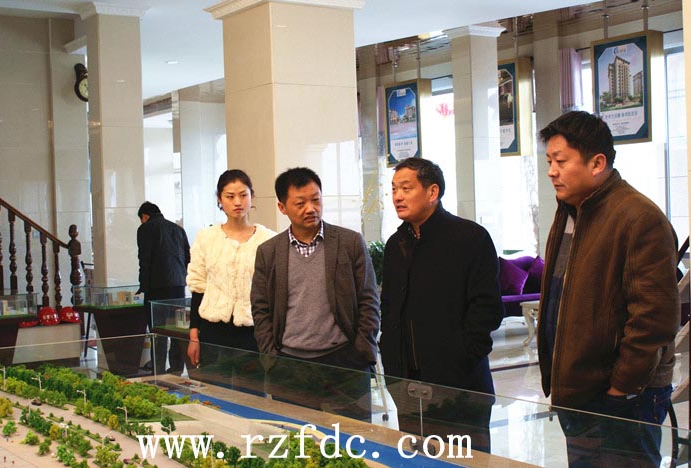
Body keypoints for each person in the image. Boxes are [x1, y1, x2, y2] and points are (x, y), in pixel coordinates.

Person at [538, 111, 680, 467]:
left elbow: (654, 318)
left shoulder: (638, 218)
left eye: (561, 161)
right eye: (549, 161)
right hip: (581, 392)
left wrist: (622, 388)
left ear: (597, 163)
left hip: (621, 398)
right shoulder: (569, 212)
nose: (552, 171)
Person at [380, 157, 503, 453]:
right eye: (394, 189)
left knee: (464, 460)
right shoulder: (396, 245)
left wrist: (461, 356)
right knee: (416, 459)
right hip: (407, 385)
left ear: (432, 192)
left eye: (406, 188)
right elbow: (389, 306)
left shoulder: (470, 238)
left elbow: (486, 308)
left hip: (459, 387)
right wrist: (390, 359)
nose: (397, 197)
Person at [251, 167, 380, 420]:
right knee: (296, 437)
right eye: (300, 203)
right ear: (282, 207)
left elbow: (369, 299)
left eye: (316, 200)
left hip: (345, 362)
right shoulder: (268, 252)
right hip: (289, 365)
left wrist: (361, 352)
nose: (310, 208)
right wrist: (271, 358)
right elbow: (260, 308)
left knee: (353, 437)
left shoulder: (350, 242)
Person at [186, 170, 276, 383]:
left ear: (252, 196)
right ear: (219, 199)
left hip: (253, 334)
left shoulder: (268, 240)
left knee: (252, 395)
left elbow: (274, 291)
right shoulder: (206, 238)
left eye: (243, 195)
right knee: (214, 393)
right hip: (213, 332)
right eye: (230, 196)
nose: (237, 202)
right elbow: (198, 287)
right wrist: (193, 335)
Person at [137, 201, 190, 374]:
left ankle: (158, 370)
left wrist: (143, 285)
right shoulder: (178, 229)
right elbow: (188, 257)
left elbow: (144, 259)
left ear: (145, 216)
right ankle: (176, 369)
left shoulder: (145, 229)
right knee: (176, 328)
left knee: (158, 329)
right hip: (178, 286)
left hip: (156, 287)